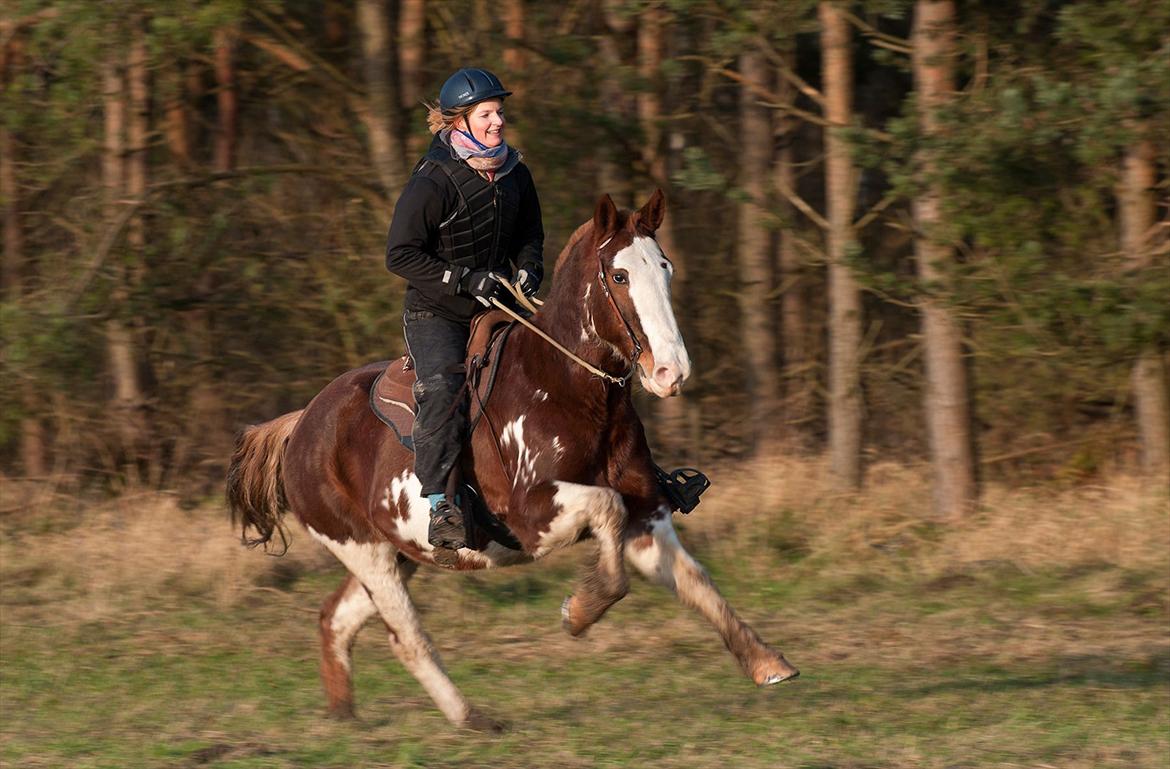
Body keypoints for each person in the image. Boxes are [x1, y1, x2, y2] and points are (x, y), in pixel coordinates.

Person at [385, 67, 544, 551]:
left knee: (564, 367)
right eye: (488, 114)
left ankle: (638, 477)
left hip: (497, 307)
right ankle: (440, 506)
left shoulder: (515, 172)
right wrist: (464, 279)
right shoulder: (433, 179)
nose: (498, 122)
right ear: (460, 120)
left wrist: (529, 271)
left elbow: (530, 237)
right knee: (444, 392)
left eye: (500, 112)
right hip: (438, 313)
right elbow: (400, 254)